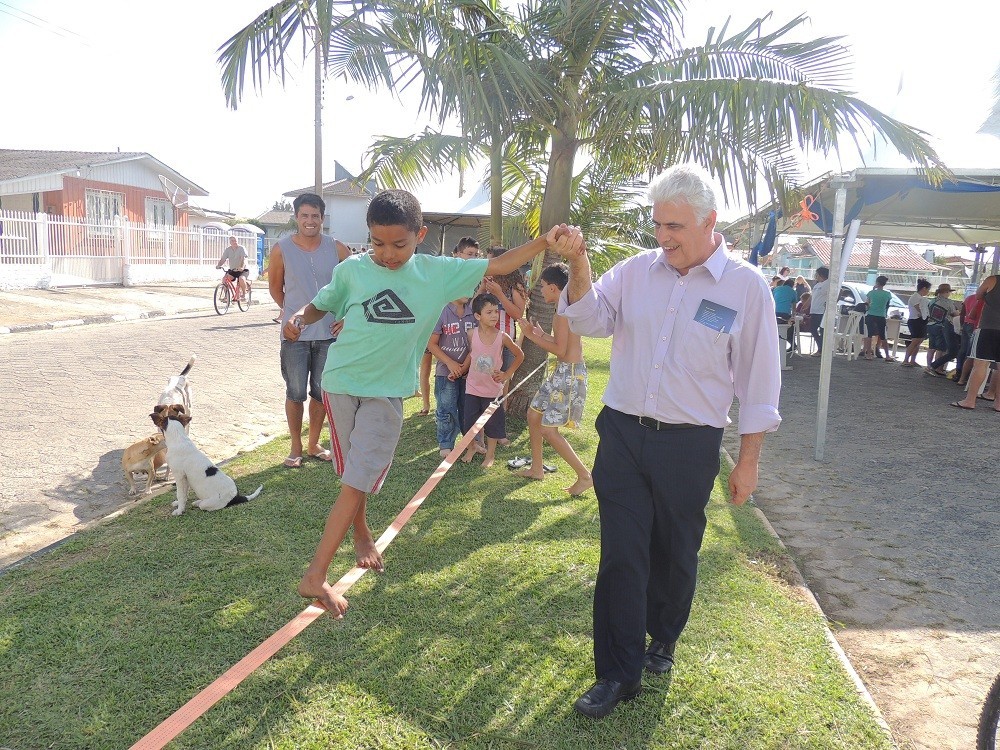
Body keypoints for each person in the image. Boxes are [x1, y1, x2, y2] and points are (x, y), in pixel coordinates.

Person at [555, 164, 781, 719]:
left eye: (675, 226)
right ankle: (617, 673)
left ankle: (665, 634)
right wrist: (579, 263)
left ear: (710, 222)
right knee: (622, 556)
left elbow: (758, 382)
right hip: (625, 436)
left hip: (691, 444)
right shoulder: (635, 272)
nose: (664, 237)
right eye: (658, 225)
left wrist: (747, 463)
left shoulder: (746, 288)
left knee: (676, 551)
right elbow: (588, 319)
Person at [284, 189, 562, 617]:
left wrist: (544, 242)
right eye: (378, 243)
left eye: (399, 244)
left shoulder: (439, 272)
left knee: (359, 474)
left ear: (421, 235)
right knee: (354, 472)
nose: (388, 254)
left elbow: (500, 265)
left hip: (387, 390)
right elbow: (321, 306)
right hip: (340, 381)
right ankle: (334, 559)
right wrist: (299, 319)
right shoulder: (352, 270)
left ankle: (318, 569)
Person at [269, 193, 352, 468]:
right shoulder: (281, 249)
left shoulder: (338, 248)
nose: (309, 221)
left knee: (320, 392)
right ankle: (296, 446)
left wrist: (346, 316)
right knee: (295, 392)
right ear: (296, 217)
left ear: (322, 218)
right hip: (295, 336)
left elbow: (356, 286)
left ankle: (314, 442)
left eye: (315, 215)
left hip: (329, 334)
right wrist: (293, 314)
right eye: (304, 215)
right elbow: (275, 288)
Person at [514, 262, 592, 496]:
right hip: (561, 372)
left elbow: (560, 350)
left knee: (549, 430)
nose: (541, 290)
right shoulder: (563, 308)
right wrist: (539, 333)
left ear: (554, 288)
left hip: (568, 374)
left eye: (544, 286)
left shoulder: (562, 313)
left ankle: (585, 476)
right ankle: (537, 469)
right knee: (533, 414)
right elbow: (561, 343)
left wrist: (530, 336)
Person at [417, 237, 482, 416]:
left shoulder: (474, 273)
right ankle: (426, 403)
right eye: (469, 254)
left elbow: (473, 301)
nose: (473, 258)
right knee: (427, 364)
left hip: (460, 327)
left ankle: (443, 411)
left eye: (476, 255)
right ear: (457, 254)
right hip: (436, 321)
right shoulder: (446, 270)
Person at [459, 292, 523, 467]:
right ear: (478, 316)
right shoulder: (471, 334)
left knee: (492, 424)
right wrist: (461, 370)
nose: (495, 315)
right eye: (489, 312)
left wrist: (506, 374)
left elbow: (519, 355)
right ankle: (471, 447)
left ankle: (490, 455)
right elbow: (472, 355)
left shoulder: (502, 336)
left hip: (492, 390)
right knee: (469, 422)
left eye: (496, 311)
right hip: (472, 387)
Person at [428, 294, 475, 457]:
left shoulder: (473, 311)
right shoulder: (441, 311)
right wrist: (450, 364)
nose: (468, 292)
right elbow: (431, 343)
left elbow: (476, 344)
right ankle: (446, 443)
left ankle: (470, 442)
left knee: (467, 407)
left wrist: (464, 367)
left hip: (468, 371)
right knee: (446, 408)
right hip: (445, 372)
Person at [951, 274, 1000, 411]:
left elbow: (978, 295)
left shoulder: (993, 279)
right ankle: (998, 404)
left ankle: (970, 400)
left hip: (989, 327)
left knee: (980, 364)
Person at [924, 284, 960, 376]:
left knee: (931, 347)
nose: (949, 294)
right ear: (946, 292)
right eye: (949, 292)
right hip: (942, 326)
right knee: (941, 348)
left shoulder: (932, 301)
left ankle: (929, 365)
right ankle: (936, 368)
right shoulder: (948, 302)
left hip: (930, 325)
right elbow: (954, 313)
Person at [863, 275, 894, 361]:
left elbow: (867, 304)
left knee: (869, 335)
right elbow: (887, 305)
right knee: (883, 336)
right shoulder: (888, 294)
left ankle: (868, 354)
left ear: (877, 283)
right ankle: (887, 356)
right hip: (881, 315)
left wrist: (873, 289)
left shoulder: (871, 293)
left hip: (871, 315)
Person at [901, 279, 931, 367]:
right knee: (915, 341)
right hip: (915, 320)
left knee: (919, 341)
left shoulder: (921, 298)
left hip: (920, 320)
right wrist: (923, 314)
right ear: (924, 288)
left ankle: (912, 360)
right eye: (928, 289)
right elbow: (919, 308)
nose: (928, 292)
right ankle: (905, 360)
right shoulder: (916, 297)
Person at [216, 235, 250, 300]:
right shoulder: (228, 250)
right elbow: (223, 259)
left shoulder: (242, 248)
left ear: (237, 241)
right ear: (230, 242)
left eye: (235, 241)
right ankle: (227, 296)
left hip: (243, 270)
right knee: (224, 279)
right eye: (232, 241)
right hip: (233, 270)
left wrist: (241, 267)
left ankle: (244, 294)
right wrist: (219, 265)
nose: (234, 242)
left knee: (241, 279)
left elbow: (243, 259)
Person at [772, 277, 797, 352]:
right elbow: (794, 307)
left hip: (774, 313)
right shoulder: (793, 292)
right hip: (785, 314)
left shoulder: (776, 289)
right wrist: (793, 316)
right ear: (792, 285)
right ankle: (793, 344)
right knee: (790, 328)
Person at [809, 266, 830, 354]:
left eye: (817, 274)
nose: (816, 276)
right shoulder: (817, 285)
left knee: (822, 330)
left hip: (821, 311)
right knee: (813, 329)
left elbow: (839, 291)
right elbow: (811, 296)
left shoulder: (827, 283)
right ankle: (820, 347)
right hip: (814, 310)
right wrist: (805, 306)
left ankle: (822, 349)